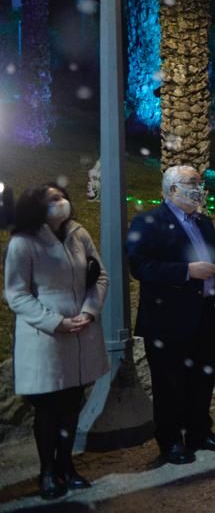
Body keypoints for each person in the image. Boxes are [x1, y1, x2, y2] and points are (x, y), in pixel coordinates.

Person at [127, 166, 215, 465]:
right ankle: (170, 441)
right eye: (192, 183)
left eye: (200, 182)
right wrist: (185, 272)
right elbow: (140, 266)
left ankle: (199, 432)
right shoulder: (149, 221)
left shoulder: (203, 221)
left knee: (202, 378)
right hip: (168, 319)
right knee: (169, 382)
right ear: (172, 189)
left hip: (206, 313)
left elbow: (211, 259)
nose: (199, 188)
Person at [4, 184, 108, 499]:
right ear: (37, 206)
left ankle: (67, 466)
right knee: (48, 409)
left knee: (72, 404)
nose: (62, 202)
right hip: (46, 339)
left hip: (80, 332)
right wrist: (56, 322)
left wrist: (89, 312)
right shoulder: (23, 243)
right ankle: (47, 472)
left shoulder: (78, 234)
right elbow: (17, 294)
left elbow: (100, 275)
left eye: (63, 196)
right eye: (53, 199)